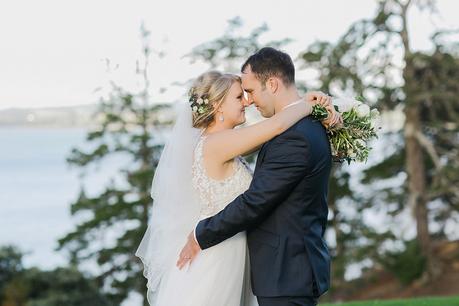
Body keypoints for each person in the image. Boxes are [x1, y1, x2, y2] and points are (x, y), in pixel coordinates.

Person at [177, 47, 335, 306]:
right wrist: (307, 104)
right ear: (217, 106)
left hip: (280, 267)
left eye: (247, 93)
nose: (248, 101)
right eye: (240, 96)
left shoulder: (289, 136)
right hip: (232, 257)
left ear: (271, 84)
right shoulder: (219, 143)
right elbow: (276, 126)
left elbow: (257, 196)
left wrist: (308, 105)